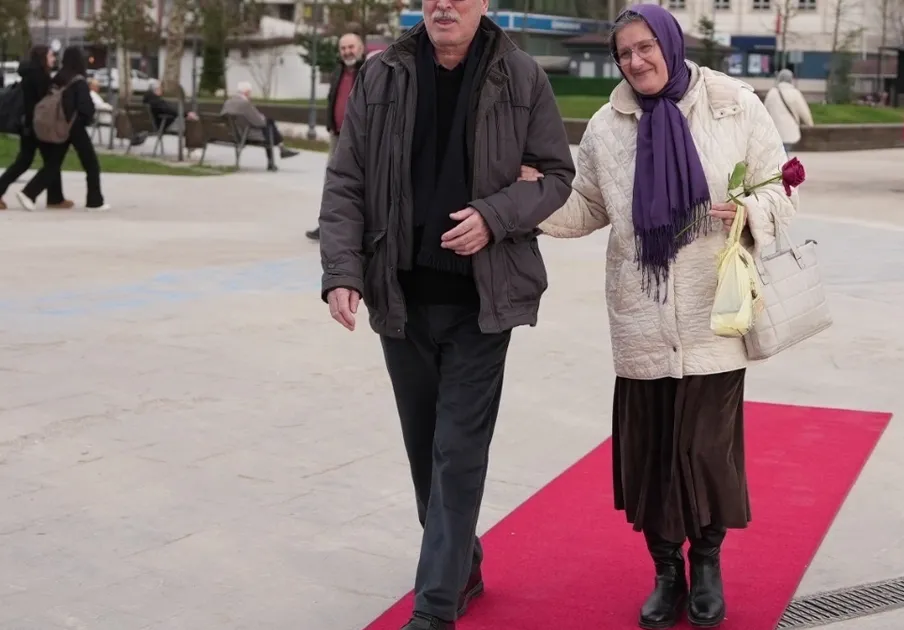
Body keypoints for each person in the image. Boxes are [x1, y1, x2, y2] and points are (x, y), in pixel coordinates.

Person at [533, 5, 795, 628]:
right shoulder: (608, 124)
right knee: (650, 455)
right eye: (624, 53)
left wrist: (751, 212)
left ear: (671, 45)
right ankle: (666, 572)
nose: (635, 61)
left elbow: (779, 186)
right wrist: (529, 199)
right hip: (641, 317)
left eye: (645, 47)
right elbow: (587, 205)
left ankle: (706, 565)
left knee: (704, 451)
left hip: (714, 313)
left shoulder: (733, 104)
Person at [316, 0, 575, 627]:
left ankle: (434, 607)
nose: (443, 5)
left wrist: (495, 215)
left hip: (481, 303)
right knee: (423, 454)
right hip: (401, 298)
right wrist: (342, 272)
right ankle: (462, 564)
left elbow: (557, 176)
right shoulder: (383, 73)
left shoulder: (521, 76)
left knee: (457, 454)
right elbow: (347, 179)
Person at [14, 46, 108, 211]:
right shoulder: (78, 81)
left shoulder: (58, 78)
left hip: (60, 125)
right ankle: (94, 201)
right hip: (76, 127)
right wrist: (88, 119)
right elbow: (85, 107)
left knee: (53, 163)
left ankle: (29, 193)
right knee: (91, 164)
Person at [306, 31, 365, 241]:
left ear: (360, 49)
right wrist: (331, 124)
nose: (347, 52)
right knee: (332, 182)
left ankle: (359, 228)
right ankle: (327, 225)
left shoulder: (369, 71)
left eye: (351, 47)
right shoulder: (337, 71)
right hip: (337, 135)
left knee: (359, 183)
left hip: (360, 138)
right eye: (343, 48)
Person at [0, 45, 70, 211]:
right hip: (36, 126)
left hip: (28, 125)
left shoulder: (30, 74)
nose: (53, 59)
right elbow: (43, 102)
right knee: (48, 161)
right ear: (42, 57)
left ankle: (56, 197)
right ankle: (55, 198)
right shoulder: (39, 76)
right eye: (51, 55)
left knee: (36, 160)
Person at [219, 82, 298, 171]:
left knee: (269, 125)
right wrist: (263, 118)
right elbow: (260, 122)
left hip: (233, 133)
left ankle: (281, 148)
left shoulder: (228, 102)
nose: (250, 94)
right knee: (269, 124)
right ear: (247, 92)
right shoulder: (245, 104)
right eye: (250, 92)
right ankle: (279, 151)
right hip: (246, 135)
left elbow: (222, 116)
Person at [762, 68, 813, 152]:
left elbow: (764, 112)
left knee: (779, 154)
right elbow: (803, 111)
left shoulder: (772, 93)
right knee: (785, 152)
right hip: (790, 131)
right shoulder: (795, 93)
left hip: (774, 131)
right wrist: (809, 123)